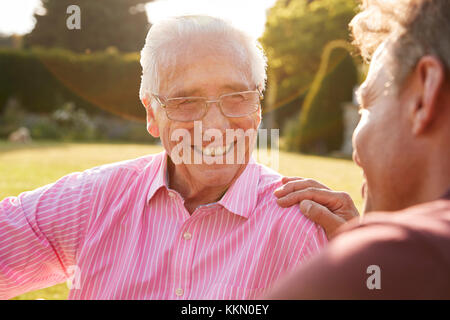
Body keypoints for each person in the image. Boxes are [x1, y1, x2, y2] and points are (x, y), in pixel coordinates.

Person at [0, 15, 327, 300]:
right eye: (186, 101)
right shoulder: (96, 198)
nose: (213, 127)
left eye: (238, 97)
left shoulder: (301, 227)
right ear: (152, 114)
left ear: (257, 108)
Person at [266, 0, 450, 299]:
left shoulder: (391, 255)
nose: (355, 151)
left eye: (366, 107)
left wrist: (366, 255)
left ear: (424, 96)